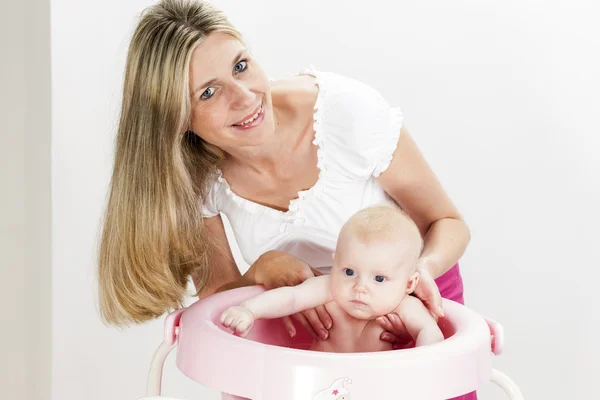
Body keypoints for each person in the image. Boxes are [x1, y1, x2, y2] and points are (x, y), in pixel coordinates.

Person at [98, 0, 474, 398]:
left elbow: (447, 223)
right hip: (311, 342)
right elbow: (219, 302)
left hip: (407, 311)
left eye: (241, 65)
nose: (245, 97)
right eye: (209, 92)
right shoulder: (193, 175)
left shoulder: (347, 116)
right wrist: (260, 270)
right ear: (175, 118)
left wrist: (416, 278)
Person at [220, 205, 445, 351]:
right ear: (335, 263)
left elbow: (429, 333)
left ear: (409, 283)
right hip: (318, 387)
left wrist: (424, 361)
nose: (359, 287)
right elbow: (290, 298)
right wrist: (248, 310)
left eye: (379, 279)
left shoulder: (404, 306)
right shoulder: (329, 290)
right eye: (349, 272)